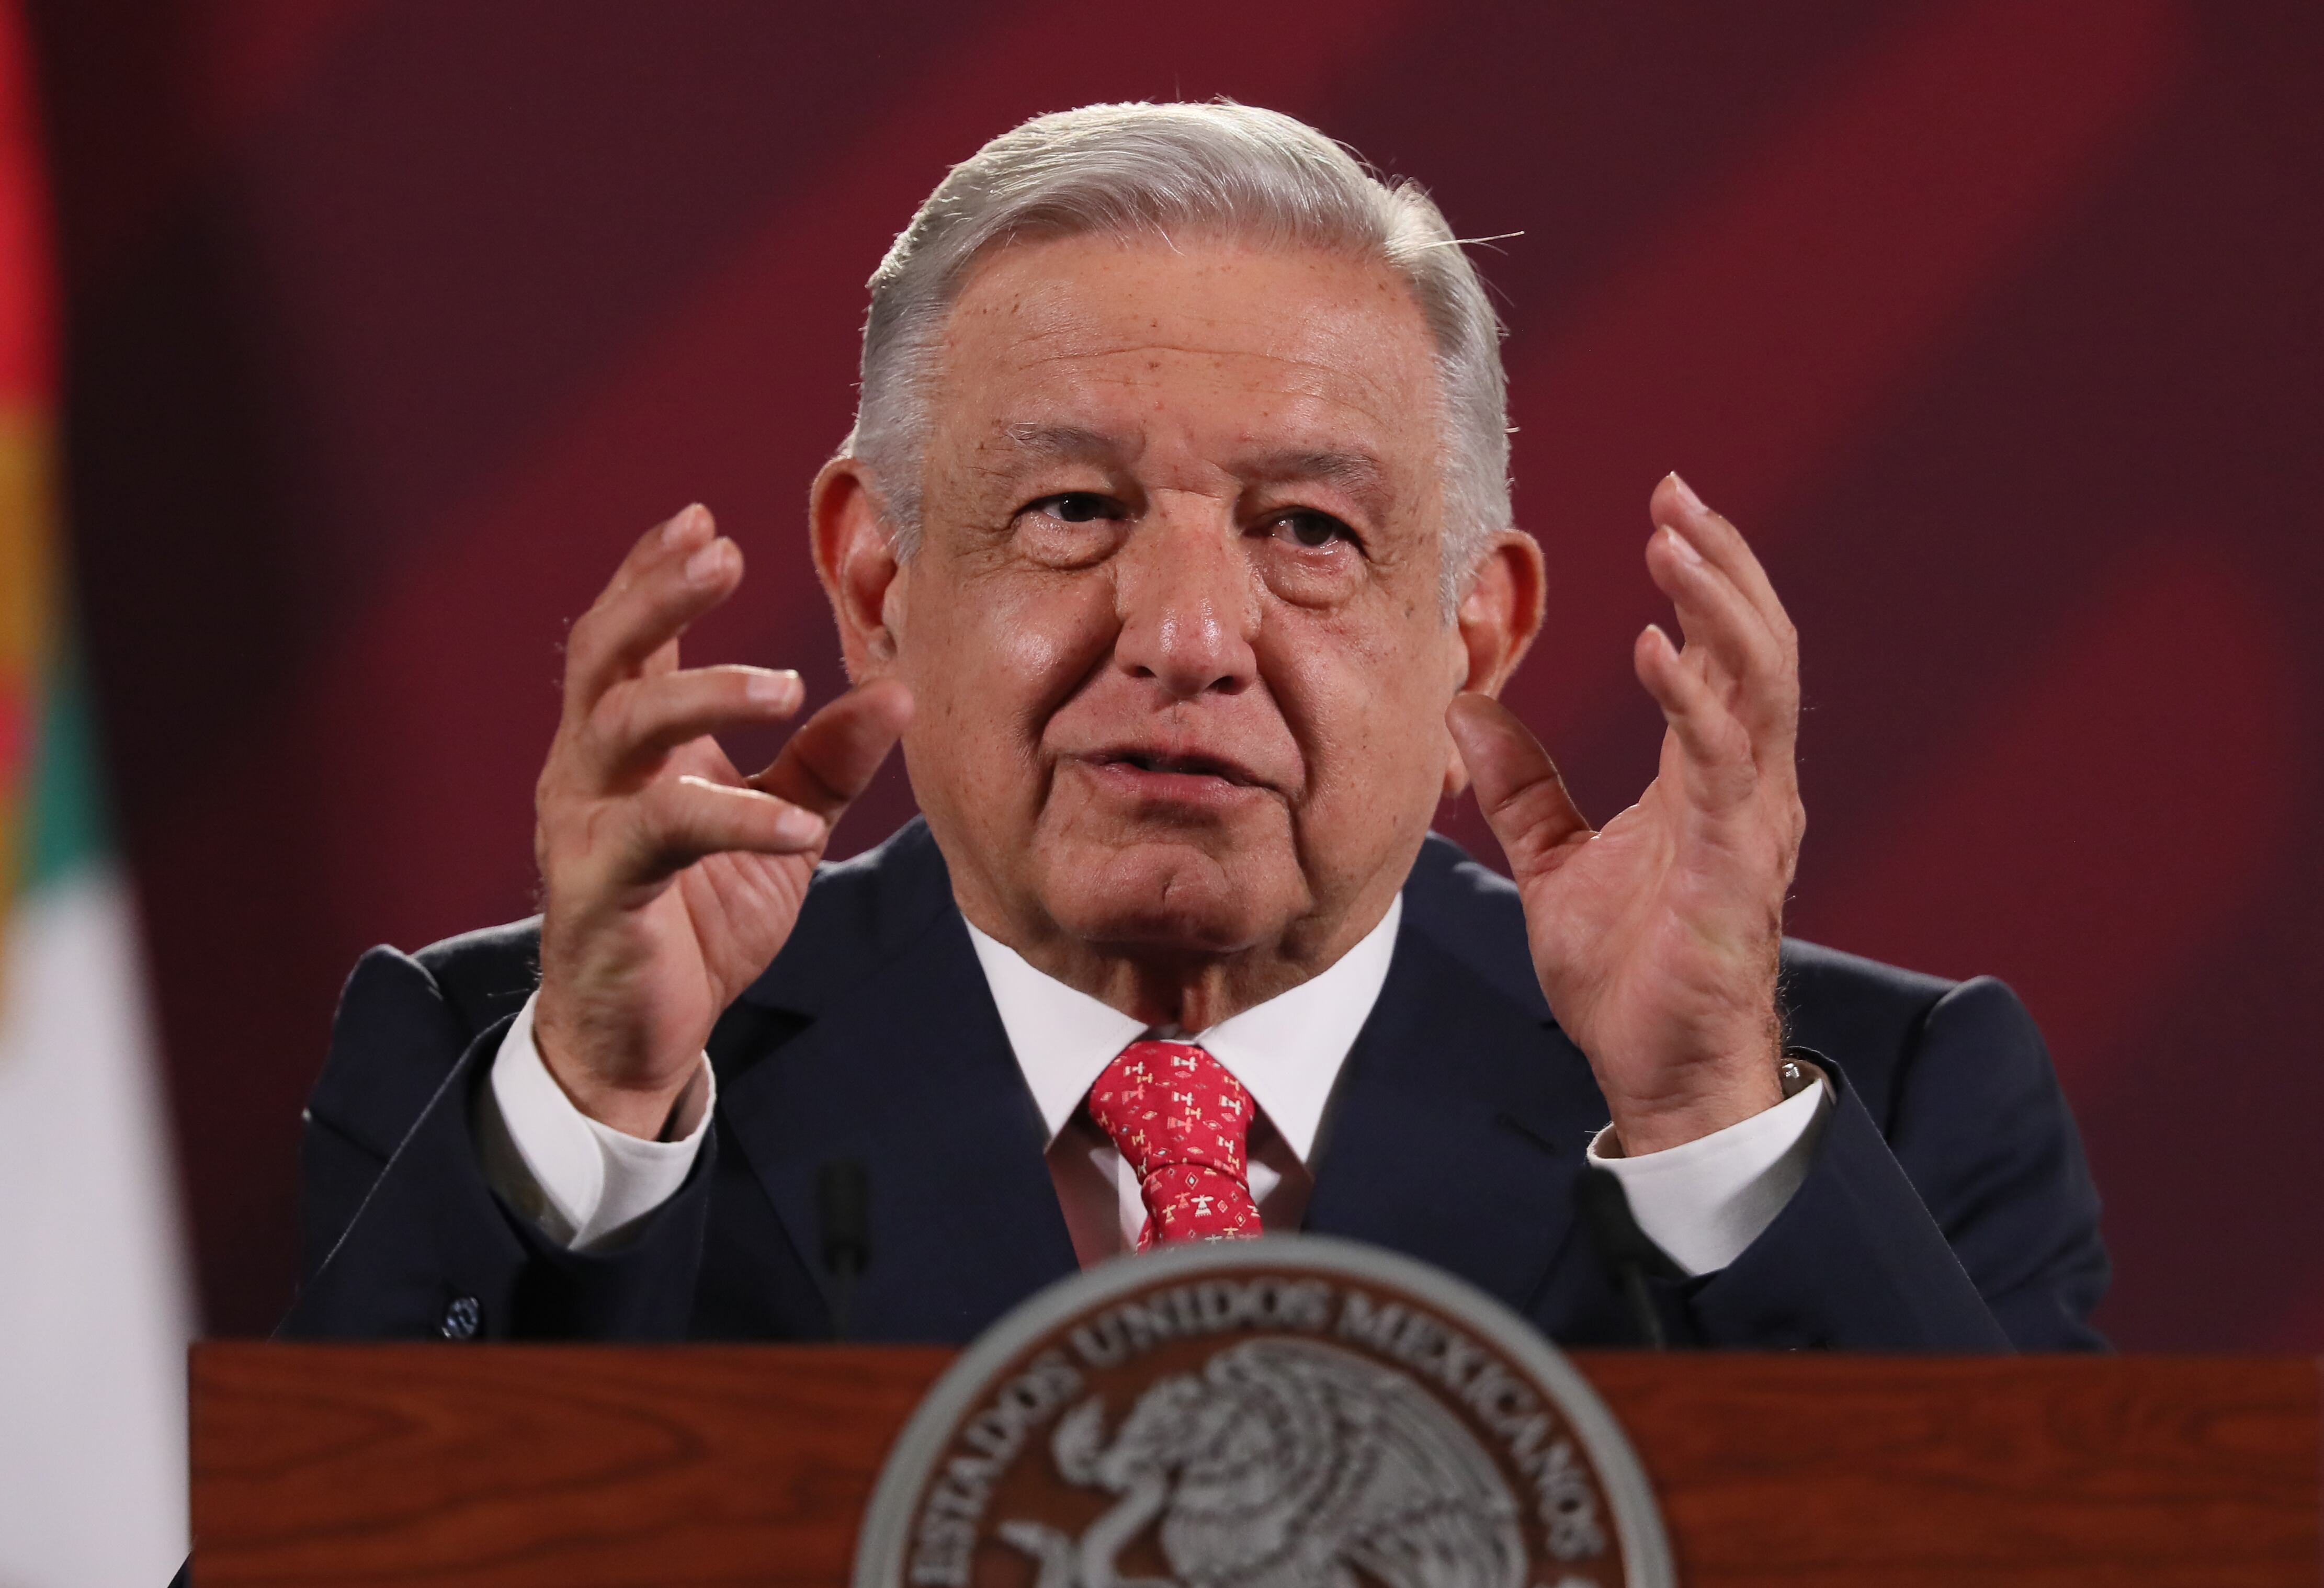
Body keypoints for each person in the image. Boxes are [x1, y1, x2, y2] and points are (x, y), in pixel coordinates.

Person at [286, 101, 2105, 1352]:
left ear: (1475, 629)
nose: (1183, 635)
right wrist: (593, 1116)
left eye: (1308, 530)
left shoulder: (1874, 1110)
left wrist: (1707, 1123)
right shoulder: (498, 1070)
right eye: (1071, 510)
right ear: (873, 576)